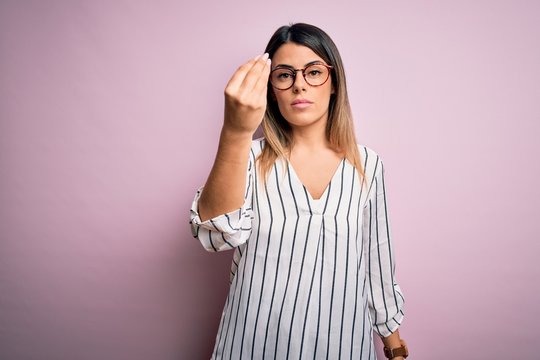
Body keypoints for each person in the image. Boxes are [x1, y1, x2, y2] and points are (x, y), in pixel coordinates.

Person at [190, 23, 408, 359]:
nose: (299, 85)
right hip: (252, 345)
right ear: (271, 89)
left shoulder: (368, 165)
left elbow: (377, 265)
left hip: (341, 345)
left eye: (314, 72)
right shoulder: (247, 157)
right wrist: (235, 131)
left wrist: (394, 346)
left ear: (334, 83)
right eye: (284, 75)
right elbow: (217, 235)